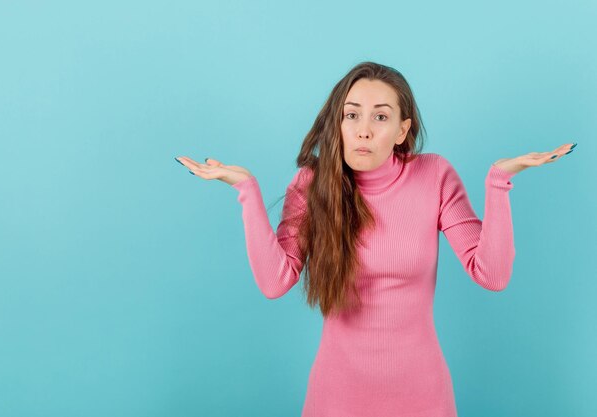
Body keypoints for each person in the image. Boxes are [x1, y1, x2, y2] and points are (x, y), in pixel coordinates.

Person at [175, 61, 576, 416]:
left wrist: (499, 182)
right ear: (339, 122)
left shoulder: (434, 176)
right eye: (352, 115)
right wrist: (246, 189)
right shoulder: (313, 184)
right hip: (336, 400)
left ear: (403, 131)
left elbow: (491, 273)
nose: (363, 130)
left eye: (380, 118)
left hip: (423, 398)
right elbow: (274, 281)